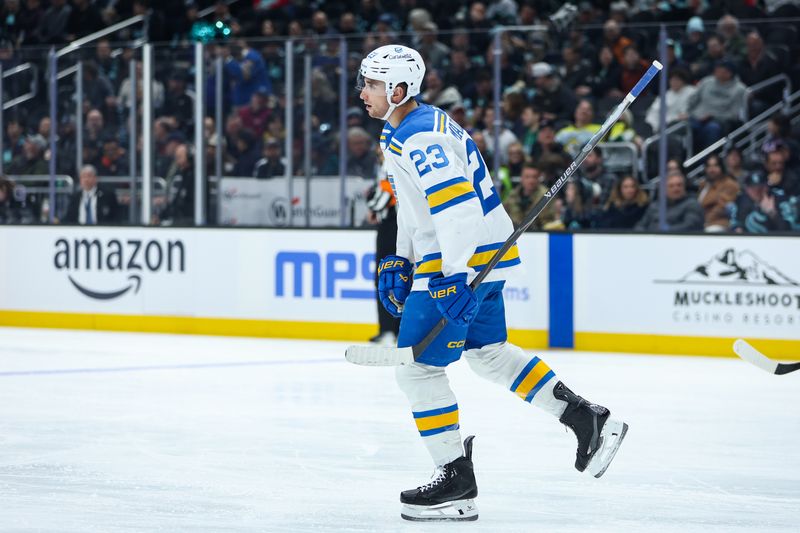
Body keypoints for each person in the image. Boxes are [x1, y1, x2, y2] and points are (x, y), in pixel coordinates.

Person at [357, 44, 628, 522]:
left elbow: (457, 212)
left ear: (399, 90)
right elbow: (412, 205)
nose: (363, 92)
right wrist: (398, 259)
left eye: (372, 84)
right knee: (488, 355)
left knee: (417, 370)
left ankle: (455, 481)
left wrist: (451, 279)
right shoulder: (400, 129)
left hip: (460, 257)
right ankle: (588, 419)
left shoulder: (421, 138)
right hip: (478, 254)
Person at [634, 171, 704, 232]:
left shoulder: (692, 204)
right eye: (671, 186)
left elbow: (690, 226)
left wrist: (663, 231)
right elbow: (640, 226)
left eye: (679, 185)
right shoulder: (655, 206)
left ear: (684, 187)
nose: (676, 189)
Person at [697, 154, 740, 232]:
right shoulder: (704, 184)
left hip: (720, 224)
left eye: (715, 166)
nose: (712, 169)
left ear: (721, 167)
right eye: (709, 166)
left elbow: (721, 208)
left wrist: (704, 222)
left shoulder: (729, 184)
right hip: (702, 223)